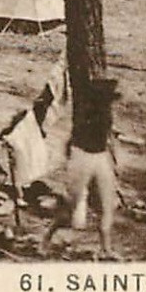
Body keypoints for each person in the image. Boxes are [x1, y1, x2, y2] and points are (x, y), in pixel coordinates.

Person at [42, 77, 120, 258]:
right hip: (83, 156)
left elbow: (107, 138)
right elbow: (73, 141)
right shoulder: (87, 114)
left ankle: (106, 249)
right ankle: (46, 238)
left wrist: (112, 159)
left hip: (98, 156)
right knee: (72, 206)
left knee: (107, 204)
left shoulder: (105, 113)